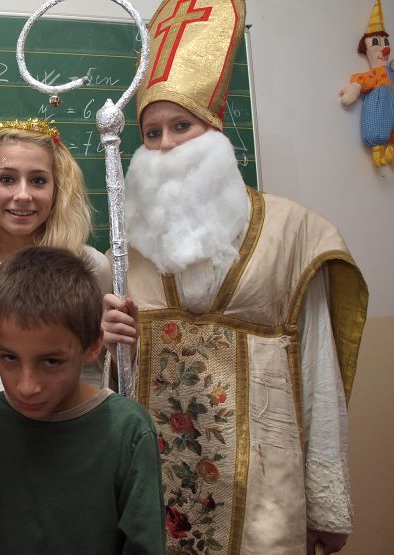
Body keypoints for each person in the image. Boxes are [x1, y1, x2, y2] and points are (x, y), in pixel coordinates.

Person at [101, 1, 368, 554]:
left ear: (215, 130)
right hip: (157, 496)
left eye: (182, 125)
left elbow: (318, 371)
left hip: (265, 496)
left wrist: (327, 503)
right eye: (151, 132)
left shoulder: (295, 233)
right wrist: (107, 344)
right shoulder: (129, 255)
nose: (167, 144)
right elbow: (114, 387)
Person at [0, 246, 165, 554]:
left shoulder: (128, 431)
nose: (27, 386)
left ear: (92, 346)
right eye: (9, 357)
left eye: (51, 362)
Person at [0, 118, 111, 407]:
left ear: (56, 188)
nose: (23, 195)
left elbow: (102, 364)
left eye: (38, 181)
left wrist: (121, 345)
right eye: (7, 179)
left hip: (68, 425)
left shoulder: (89, 266)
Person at [339, 0, 394, 166]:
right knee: (378, 132)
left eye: (386, 42)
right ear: (366, 47)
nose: (385, 48)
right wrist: (354, 88)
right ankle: (380, 157)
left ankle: (387, 155)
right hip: (380, 116)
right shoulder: (375, 75)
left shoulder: (390, 72)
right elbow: (363, 81)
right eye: (376, 42)